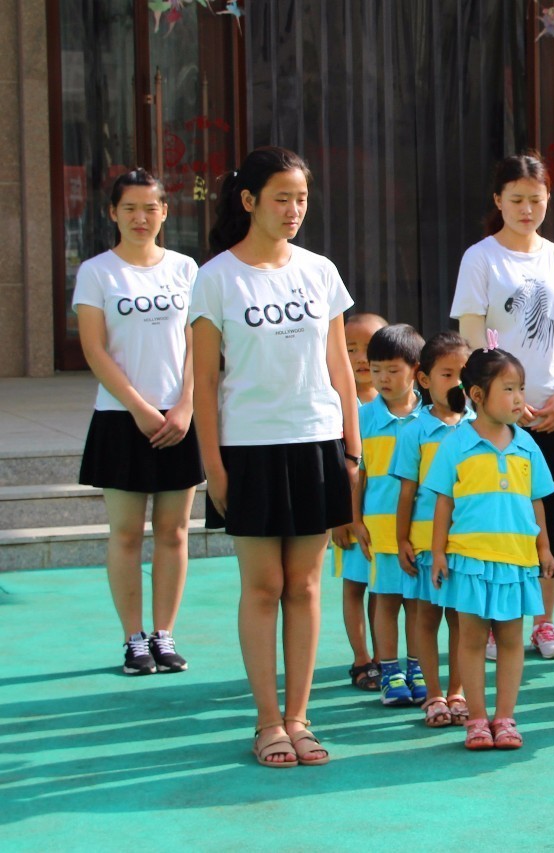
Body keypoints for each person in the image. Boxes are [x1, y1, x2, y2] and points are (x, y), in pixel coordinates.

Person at [191, 146, 360, 768]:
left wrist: (351, 450)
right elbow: (203, 381)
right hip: (249, 449)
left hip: (315, 442)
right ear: (249, 201)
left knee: (307, 585)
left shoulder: (320, 271)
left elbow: (340, 367)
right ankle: (267, 724)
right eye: (282, 197)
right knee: (263, 586)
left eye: (302, 198)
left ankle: (300, 718)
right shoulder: (215, 278)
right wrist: (213, 466)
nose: (294, 210)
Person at [450, 152, 554, 660]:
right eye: (516, 200)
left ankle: (545, 622)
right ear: (498, 201)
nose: (527, 209)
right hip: (499, 419)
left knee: (548, 519)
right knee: (498, 520)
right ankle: (496, 624)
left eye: (536, 200)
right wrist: (500, 404)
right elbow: (472, 339)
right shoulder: (481, 258)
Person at [74, 168, 201, 675]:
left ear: (165, 212)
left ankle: (164, 636)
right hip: (121, 418)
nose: (141, 217)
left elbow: (200, 343)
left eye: (151, 207)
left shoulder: (186, 268)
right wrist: (139, 408)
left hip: (179, 418)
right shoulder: (97, 272)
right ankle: (133, 640)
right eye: (130, 208)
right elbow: (94, 348)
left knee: (173, 533)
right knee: (126, 533)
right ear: (112, 213)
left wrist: (187, 404)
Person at [427, 346, 554, 749]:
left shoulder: (527, 446)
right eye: (509, 388)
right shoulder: (455, 443)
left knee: (509, 640)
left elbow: (537, 501)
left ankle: (505, 718)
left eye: (520, 388)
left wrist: (545, 549)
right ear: (478, 396)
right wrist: (437, 553)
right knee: (470, 640)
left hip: (516, 563)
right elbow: (443, 502)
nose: (519, 398)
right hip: (470, 561)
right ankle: (477, 720)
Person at [393, 331, 474, 726]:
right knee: (426, 617)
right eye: (447, 373)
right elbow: (407, 492)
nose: (457, 382)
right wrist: (402, 539)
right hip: (425, 543)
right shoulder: (413, 431)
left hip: (466, 542)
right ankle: (434, 694)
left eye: (464, 373)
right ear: (424, 380)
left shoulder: (481, 427)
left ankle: (459, 693)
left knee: (462, 618)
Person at [356, 324, 428, 707]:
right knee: (385, 600)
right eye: (376, 369)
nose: (382, 378)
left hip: (421, 532)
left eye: (393, 369)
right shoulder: (363, 417)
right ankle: (389, 670)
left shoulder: (432, 418)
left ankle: (417, 667)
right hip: (380, 530)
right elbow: (356, 475)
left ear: (417, 370)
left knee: (417, 602)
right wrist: (353, 520)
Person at [332, 312, 387, 692]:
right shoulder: (333, 401)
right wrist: (339, 516)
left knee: (381, 588)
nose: (361, 357)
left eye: (370, 347)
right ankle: (361, 658)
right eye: (350, 348)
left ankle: (384, 657)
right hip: (349, 515)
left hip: (385, 519)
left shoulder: (399, 405)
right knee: (354, 586)